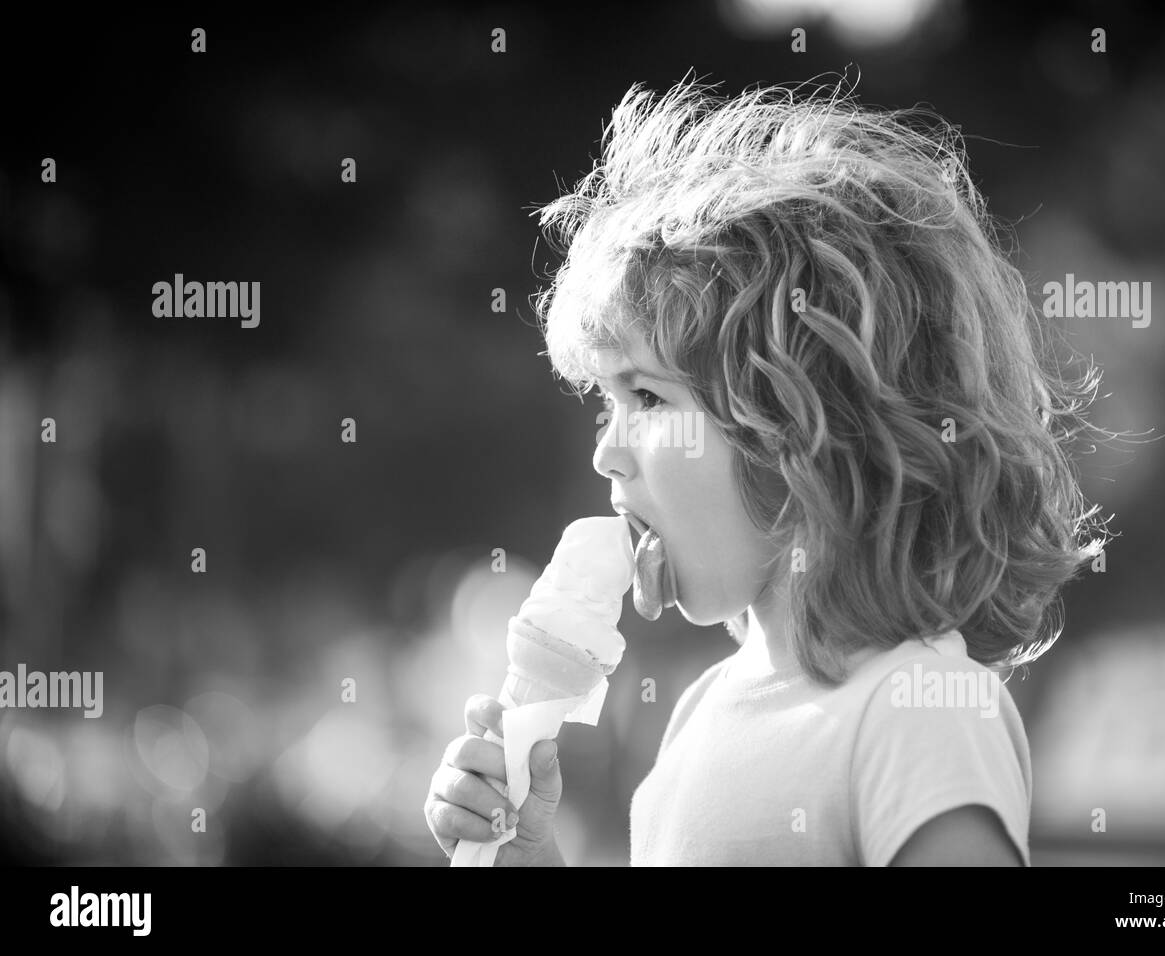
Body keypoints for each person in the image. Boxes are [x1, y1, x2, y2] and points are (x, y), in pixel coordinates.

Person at [426, 70, 1114, 866]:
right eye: (604, 402)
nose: (604, 451)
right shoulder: (699, 712)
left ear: (799, 430)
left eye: (646, 396)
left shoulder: (916, 712)